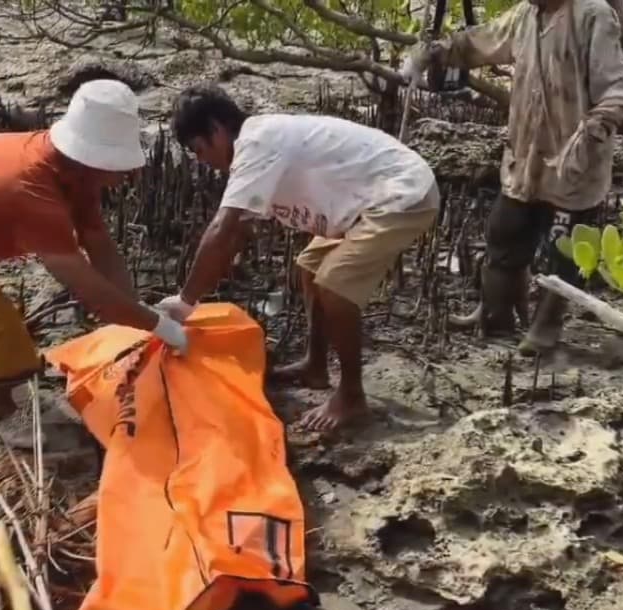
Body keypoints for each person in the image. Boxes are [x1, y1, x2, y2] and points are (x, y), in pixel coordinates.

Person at [0, 79, 187, 450]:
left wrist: (134, 309)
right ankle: (10, 416)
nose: (127, 176)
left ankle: (9, 386)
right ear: (93, 160)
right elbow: (90, 291)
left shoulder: (74, 174)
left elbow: (99, 242)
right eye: (120, 166)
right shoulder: (33, 193)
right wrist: (158, 326)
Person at [157, 85, 440, 433]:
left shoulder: (256, 144)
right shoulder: (257, 147)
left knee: (334, 285)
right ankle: (316, 366)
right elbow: (234, 236)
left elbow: (223, 227)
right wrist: (200, 290)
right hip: (366, 200)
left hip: (402, 193)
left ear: (216, 130)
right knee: (309, 268)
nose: (203, 161)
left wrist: (185, 301)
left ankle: (352, 395)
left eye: (200, 150)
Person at [403, 0, 623, 355]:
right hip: (527, 157)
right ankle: (496, 317)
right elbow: (480, 42)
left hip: (574, 165)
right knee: (503, 232)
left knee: (564, 251)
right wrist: (434, 53)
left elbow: (619, 90)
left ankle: (545, 329)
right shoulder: (527, 15)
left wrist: (591, 131)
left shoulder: (593, 14)